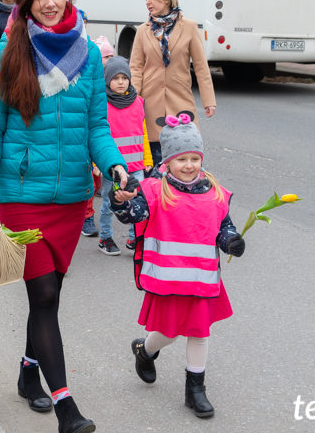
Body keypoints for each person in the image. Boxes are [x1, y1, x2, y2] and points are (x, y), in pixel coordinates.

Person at [0, 0, 127, 433]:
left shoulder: (91, 57)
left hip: (72, 195)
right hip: (21, 193)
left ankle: (26, 372)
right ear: (25, 2)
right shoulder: (4, 56)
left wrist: (116, 163)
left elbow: (97, 126)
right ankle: (66, 409)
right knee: (43, 291)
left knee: (48, 299)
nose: (51, 3)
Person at [110, 113, 243, 420]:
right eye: (181, 159)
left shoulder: (216, 193)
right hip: (168, 278)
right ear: (166, 162)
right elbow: (134, 215)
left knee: (199, 332)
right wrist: (120, 202)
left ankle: (195, 390)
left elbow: (224, 227)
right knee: (168, 332)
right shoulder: (156, 190)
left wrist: (231, 241)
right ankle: (145, 350)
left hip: (202, 279)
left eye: (195, 158)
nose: (189, 165)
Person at [130, 0, 216, 162]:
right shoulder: (142, 31)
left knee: (184, 152)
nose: (147, 2)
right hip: (150, 102)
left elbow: (201, 66)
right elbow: (135, 68)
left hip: (180, 99)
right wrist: (132, 100)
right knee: (154, 157)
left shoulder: (189, 27)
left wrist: (209, 100)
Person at [96, 56, 152, 255]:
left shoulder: (138, 102)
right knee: (109, 203)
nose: (121, 82)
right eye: (115, 78)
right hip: (112, 168)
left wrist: (147, 159)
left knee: (137, 203)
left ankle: (133, 238)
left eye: (124, 78)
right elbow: (98, 135)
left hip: (136, 166)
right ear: (107, 80)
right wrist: (96, 162)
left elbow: (142, 132)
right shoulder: (102, 104)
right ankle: (105, 237)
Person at [81, 35, 116, 237]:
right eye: (105, 56)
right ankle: (86, 216)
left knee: (96, 183)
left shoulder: (113, 81)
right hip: (85, 140)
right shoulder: (89, 77)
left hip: (102, 142)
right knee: (87, 180)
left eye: (111, 56)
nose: (108, 61)